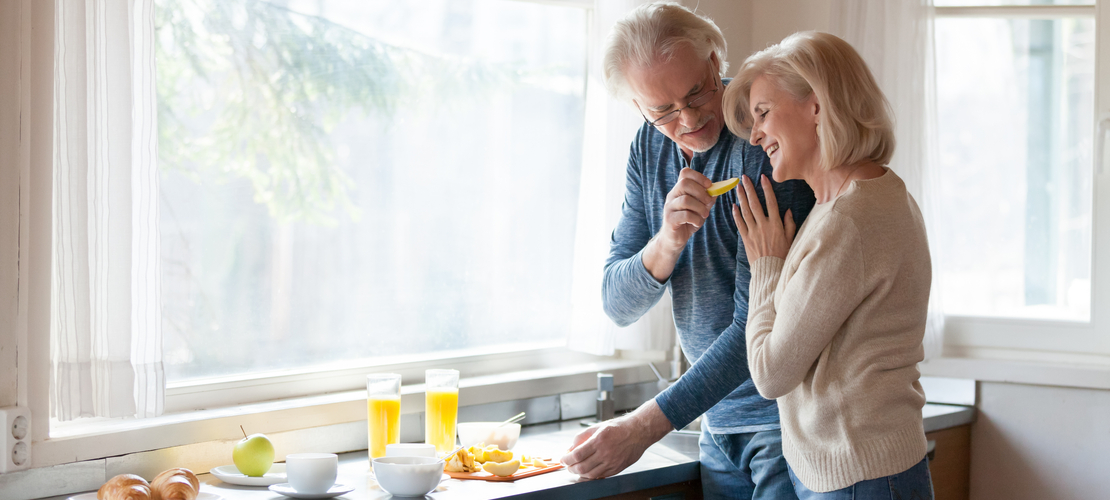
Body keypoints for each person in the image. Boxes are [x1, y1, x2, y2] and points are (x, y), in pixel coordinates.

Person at [558, 4, 815, 498]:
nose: (689, 117)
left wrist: (640, 427)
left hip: (784, 421)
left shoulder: (762, 140)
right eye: (663, 111)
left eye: (696, 92)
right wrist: (669, 240)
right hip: (715, 424)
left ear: (715, 58)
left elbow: (758, 327)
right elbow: (617, 304)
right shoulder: (647, 150)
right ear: (638, 108)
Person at [722, 31, 934, 499]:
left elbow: (770, 373)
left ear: (816, 106)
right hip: (865, 471)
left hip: (859, 476)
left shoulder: (847, 222)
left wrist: (766, 266)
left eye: (763, 113)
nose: (755, 136)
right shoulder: (859, 199)